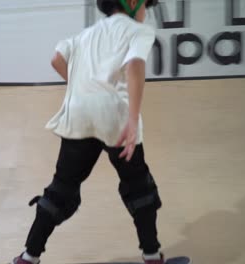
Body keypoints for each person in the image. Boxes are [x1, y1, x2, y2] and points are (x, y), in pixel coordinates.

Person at [10, 0, 167, 263]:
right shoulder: (138, 30)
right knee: (139, 186)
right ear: (131, 3)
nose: (145, 12)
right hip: (113, 116)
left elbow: (56, 58)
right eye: (144, 5)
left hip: (78, 114)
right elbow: (135, 66)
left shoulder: (85, 34)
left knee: (61, 189)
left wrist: (81, 88)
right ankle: (152, 255)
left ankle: (28, 256)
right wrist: (132, 116)